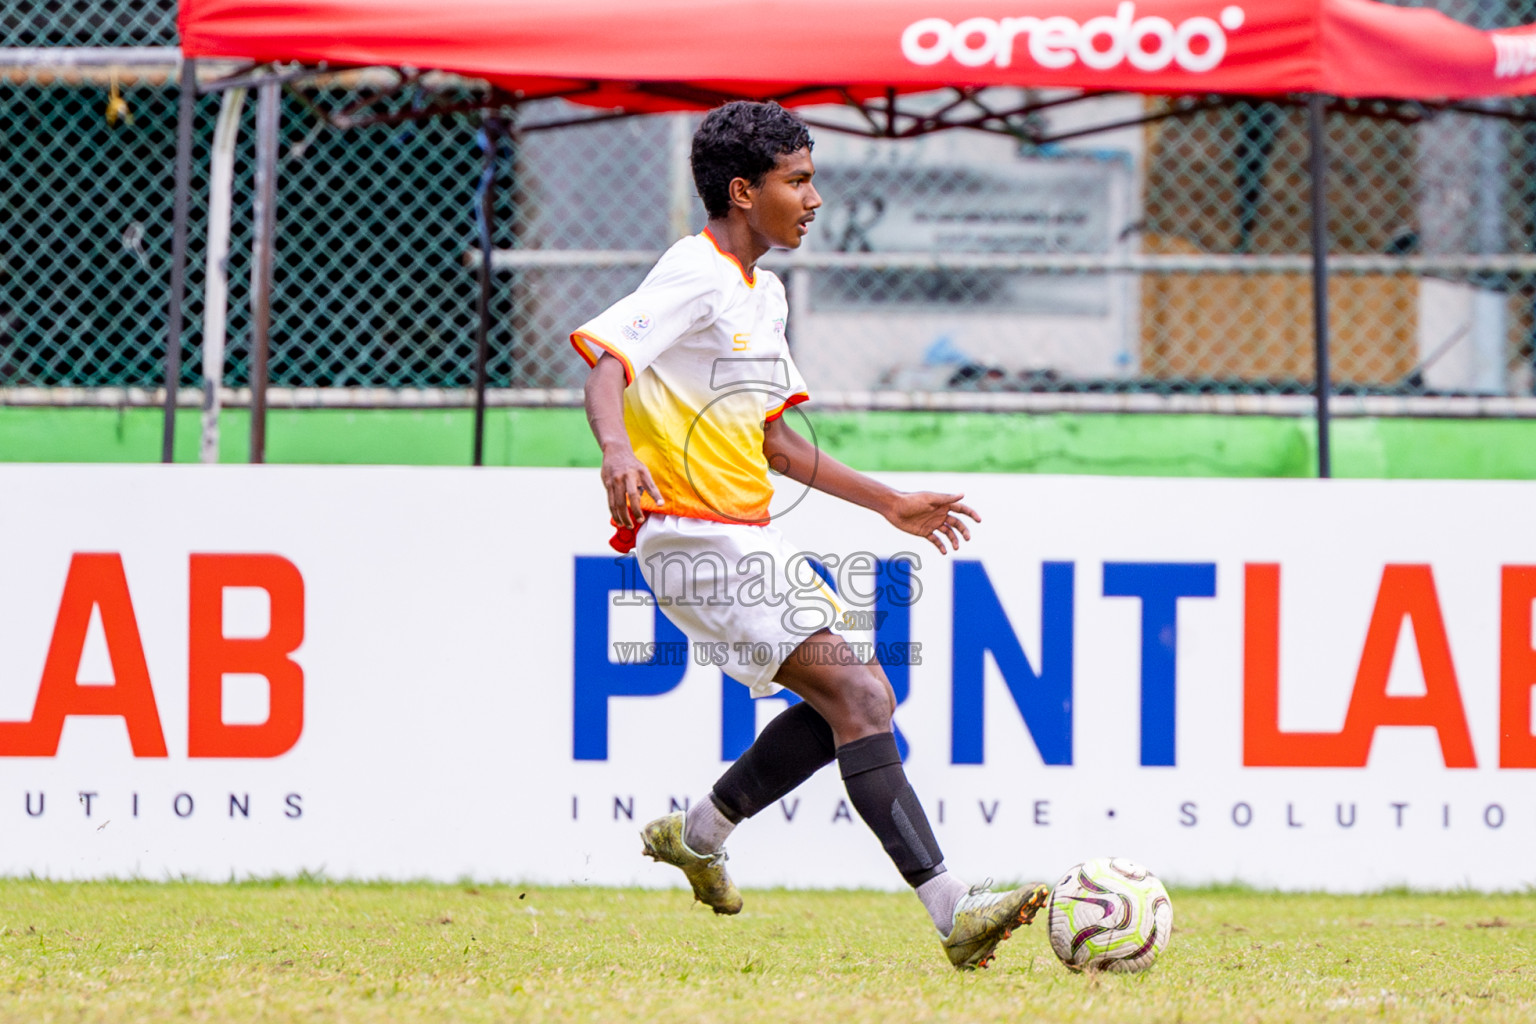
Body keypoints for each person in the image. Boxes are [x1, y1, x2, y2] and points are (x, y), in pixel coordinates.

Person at [570, 100, 1046, 970]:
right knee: (859, 699)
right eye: (799, 179)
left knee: (859, 702)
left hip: (742, 533)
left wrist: (889, 503)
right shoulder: (695, 270)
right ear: (745, 191)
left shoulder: (767, 293)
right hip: (688, 538)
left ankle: (700, 832)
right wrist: (615, 450)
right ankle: (952, 912)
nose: (815, 197)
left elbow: (777, 446)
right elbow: (607, 365)